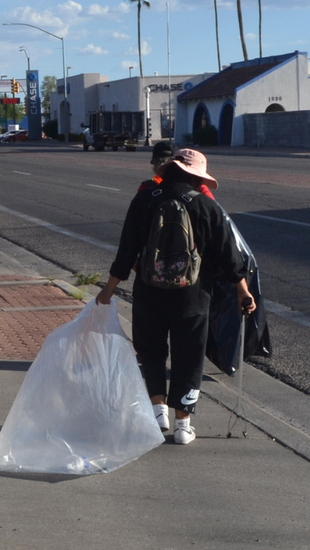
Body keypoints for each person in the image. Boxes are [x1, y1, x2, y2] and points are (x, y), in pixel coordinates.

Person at [97, 149, 255, 445]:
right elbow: (229, 255)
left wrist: (109, 289)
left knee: (151, 351)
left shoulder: (145, 199)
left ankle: (158, 413)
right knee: (189, 356)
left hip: (149, 292)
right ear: (196, 177)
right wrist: (243, 291)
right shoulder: (207, 206)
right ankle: (183, 425)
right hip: (193, 297)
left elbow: (127, 249)